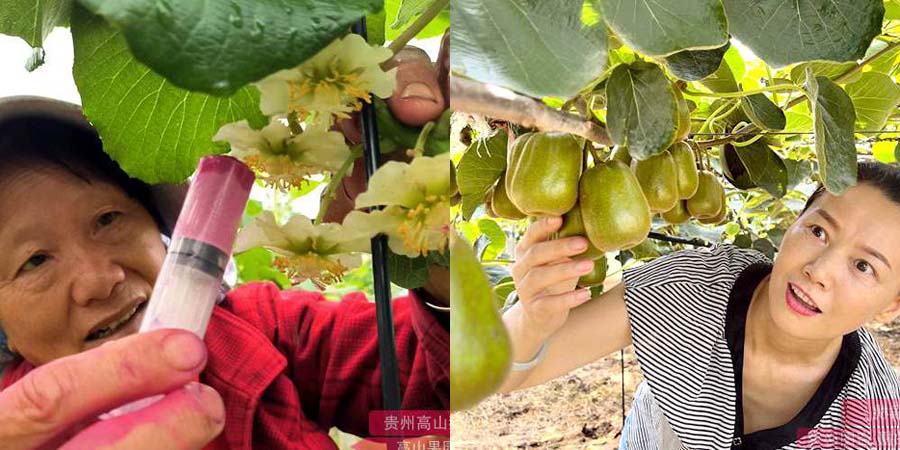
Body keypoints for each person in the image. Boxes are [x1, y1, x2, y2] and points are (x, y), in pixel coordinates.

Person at [0, 96, 449, 450]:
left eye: (107, 219)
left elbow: (435, 385)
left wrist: (431, 250)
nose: (100, 280)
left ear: (160, 230)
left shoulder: (260, 324)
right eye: (34, 261)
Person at [502, 161, 900, 449]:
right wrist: (530, 323)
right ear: (795, 222)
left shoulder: (877, 420)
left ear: (891, 306)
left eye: (864, 266)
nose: (819, 270)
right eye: (817, 231)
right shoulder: (688, 290)